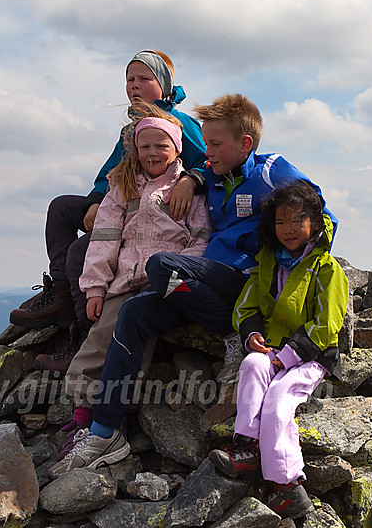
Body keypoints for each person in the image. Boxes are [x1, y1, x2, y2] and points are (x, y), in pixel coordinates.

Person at [49, 93, 337, 478]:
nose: (208, 152)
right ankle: (105, 431)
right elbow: (186, 170)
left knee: (160, 265)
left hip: (238, 283)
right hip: (198, 289)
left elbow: (320, 213)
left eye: (215, 144)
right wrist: (194, 178)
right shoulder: (210, 177)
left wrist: (294, 267)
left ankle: (227, 333)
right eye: (205, 142)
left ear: (245, 143)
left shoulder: (271, 170)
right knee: (135, 311)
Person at [9, 50, 207, 372]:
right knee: (61, 208)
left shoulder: (179, 123)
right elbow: (110, 174)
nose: (134, 85)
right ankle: (60, 292)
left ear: (165, 85)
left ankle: (83, 340)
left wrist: (192, 180)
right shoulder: (130, 130)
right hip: (121, 201)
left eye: (145, 78)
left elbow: (208, 161)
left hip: (150, 214)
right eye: (130, 79)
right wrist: (93, 202)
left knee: (79, 252)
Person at [48, 106, 210, 477]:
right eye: (145, 146)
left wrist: (177, 278)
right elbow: (103, 239)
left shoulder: (189, 191)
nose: (153, 153)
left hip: (164, 282)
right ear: (135, 150)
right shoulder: (122, 187)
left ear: (178, 149)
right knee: (100, 337)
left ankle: (112, 420)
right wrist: (94, 289)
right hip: (124, 280)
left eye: (162, 146)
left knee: (134, 338)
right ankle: (85, 419)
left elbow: (200, 240)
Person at [208, 180, 348, 519]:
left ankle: (287, 486)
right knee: (252, 366)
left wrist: (287, 357)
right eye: (280, 221)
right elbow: (246, 306)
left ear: (315, 222)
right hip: (271, 349)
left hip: (310, 357)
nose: (287, 229)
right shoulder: (268, 263)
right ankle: (247, 448)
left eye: (297, 220)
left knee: (279, 398)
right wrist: (253, 335)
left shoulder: (327, 270)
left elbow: (327, 325)